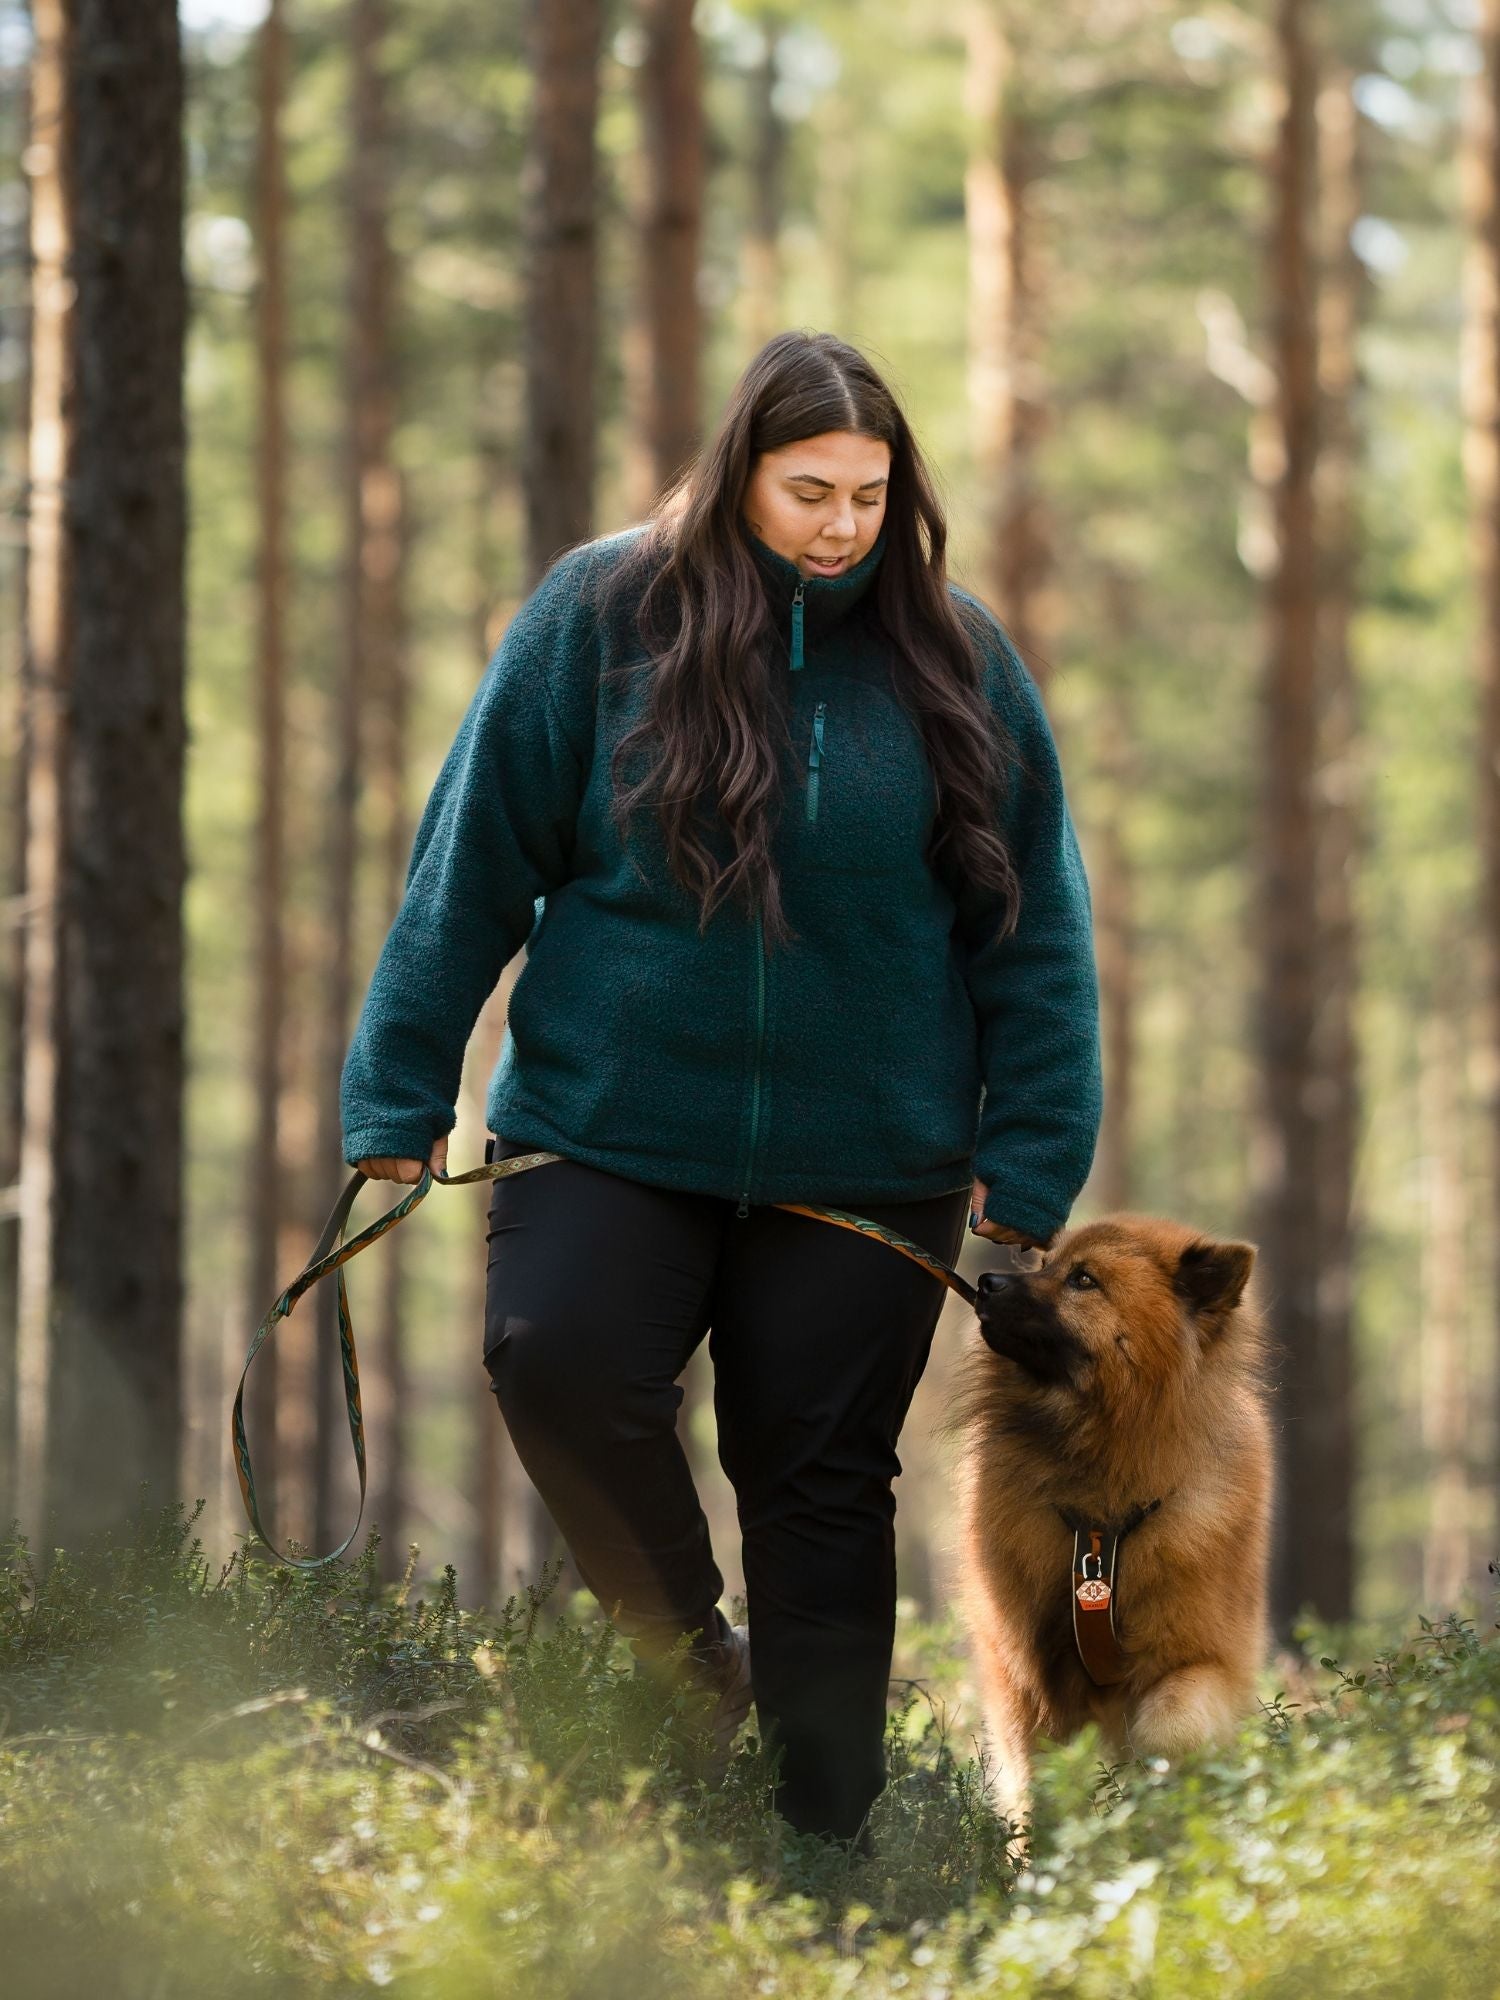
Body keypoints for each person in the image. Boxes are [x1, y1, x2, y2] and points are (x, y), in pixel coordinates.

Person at [340, 329, 1102, 1851]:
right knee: (552, 1357)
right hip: (610, 1125)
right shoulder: (601, 615)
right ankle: (696, 1667)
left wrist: (1029, 1168)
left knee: (818, 1491)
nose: (840, 527)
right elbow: (469, 861)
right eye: (808, 490)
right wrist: (396, 1095)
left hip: (869, 1158)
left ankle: (824, 1849)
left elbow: (1037, 932)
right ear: (734, 473)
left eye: (870, 498)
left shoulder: (958, 659)